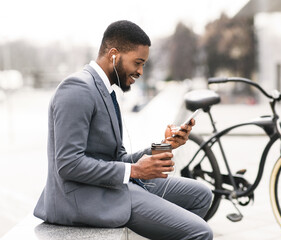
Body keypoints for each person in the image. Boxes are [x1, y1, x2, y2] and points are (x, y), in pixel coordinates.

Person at [33, 20, 213, 240]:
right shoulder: (77, 89)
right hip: (82, 198)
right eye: (137, 62)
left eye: (143, 64)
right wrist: (135, 172)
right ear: (114, 55)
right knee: (201, 232)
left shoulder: (107, 90)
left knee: (201, 195)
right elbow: (68, 164)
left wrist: (166, 145)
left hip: (108, 186)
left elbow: (117, 158)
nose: (140, 71)